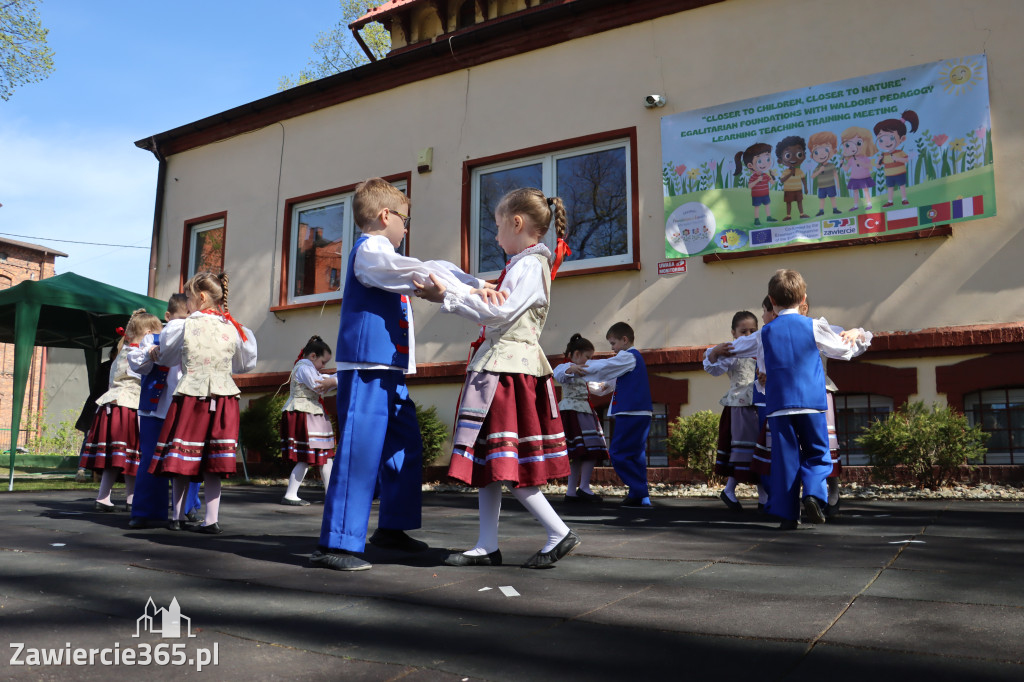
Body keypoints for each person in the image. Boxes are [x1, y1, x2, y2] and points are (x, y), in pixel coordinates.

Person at [311, 178, 492, 572]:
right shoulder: (371, 250)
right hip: (367, 366)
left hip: (388, 368)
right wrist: (468, 288)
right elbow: (414, 271)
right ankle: (339, 543)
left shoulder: (385, 254)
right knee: (360, 450)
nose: (406, 229)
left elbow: (428, 267)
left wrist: (474, 283)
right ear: (385, 216)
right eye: (405, 221)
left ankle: (391, 527)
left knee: (404, 445)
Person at [417, 187, 579, 569]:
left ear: (517, 223)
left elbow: (500, 313)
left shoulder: (528, 266)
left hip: (508, 373)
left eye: (497, 226)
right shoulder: (523, 265)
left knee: (509, 461)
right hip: (502, 369)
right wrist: (462, 286)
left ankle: (558, 531)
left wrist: (447, 298)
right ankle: (486, 544)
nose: (494, 236)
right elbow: (498, 305)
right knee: (491, 459)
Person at [717, 270, 871, 529]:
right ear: (803, 299)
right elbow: (843, 350)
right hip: (811, 403)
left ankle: (788, 517)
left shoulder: (763, 333)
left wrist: (713, 352)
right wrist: (860, 334)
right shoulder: (813, 326)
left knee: (785, 462)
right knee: (817, 453)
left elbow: (737, 348)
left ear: (771, 301)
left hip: (778, 408)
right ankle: (812, 494)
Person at [149, 272, 257, 534]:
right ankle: (211, 519)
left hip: (192, 396)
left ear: (201, 297)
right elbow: (246, 365)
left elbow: (167, 357)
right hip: (223, 399)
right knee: (213, 460)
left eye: (187, 297)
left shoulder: (183, 326)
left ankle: (177, 516)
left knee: (182, 455)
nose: (186, 302)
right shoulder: (234, 328)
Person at [126, 294, 203, 529]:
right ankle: (146, 511)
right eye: (180, 319)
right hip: (156, 409)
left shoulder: (200, 338)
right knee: (150, 459)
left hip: (186, 407)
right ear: (168, 317)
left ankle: (186, 509)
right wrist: (150, 353)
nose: (183, 325)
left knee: (187, 458)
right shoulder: (153, 338)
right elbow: (136, 361)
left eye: (188, 319)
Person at [80, 309, 161, 512]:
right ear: (149, 332)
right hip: (128, 405)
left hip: (110, 406)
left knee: (115, 457)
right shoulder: (137, 353)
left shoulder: (123, 349)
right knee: (133, 454)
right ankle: (131, 499)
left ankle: (104, 497)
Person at [575, 322, 653, 509]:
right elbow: (608, 382)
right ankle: (640, 497)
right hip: (638, 411)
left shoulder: (627, 357)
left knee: (618, 453)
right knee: (635, 455)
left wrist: (581, 366)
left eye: (613, 343)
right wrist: (594, 384)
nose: (612, 348)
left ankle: (639, 490)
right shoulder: (629, 360)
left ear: (624, 340)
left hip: (631, 411)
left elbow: (605, 366)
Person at [704, 311, 761, 512]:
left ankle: (762, 496)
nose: (748, 335)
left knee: (759, 450)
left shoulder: (760, 348)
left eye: (752, 330)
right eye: (743, 331)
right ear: (733, 333)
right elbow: (713, 368)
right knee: (745, 451)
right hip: (739, 406)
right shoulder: (731, 351)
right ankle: (730, 489)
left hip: (759, 405)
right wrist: (715, 353)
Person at [280, 335, 339, 506]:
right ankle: (291, 494)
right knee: (307, 456)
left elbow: (320, 382)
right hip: (304, 413)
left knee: (325, 455)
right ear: (313, 356)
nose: (323, 366)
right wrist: (338, 378)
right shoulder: (303, 367)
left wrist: (335, 378)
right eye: (323, 362)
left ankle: (331, 494)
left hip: (312, 413)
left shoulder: (309, 368)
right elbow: (318, 385)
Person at [552, 333, 608, 504]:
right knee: (582, 450)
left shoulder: (585, 372)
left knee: (584, 451)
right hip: (572, 412)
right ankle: (575, 489)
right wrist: (571, 369)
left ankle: (580, 488)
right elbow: (558, 374)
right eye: (587, 357)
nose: (588, 361)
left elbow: (595, 387)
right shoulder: (565, 367)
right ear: (576, 354)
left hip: (584, 411)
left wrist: (605, 385)